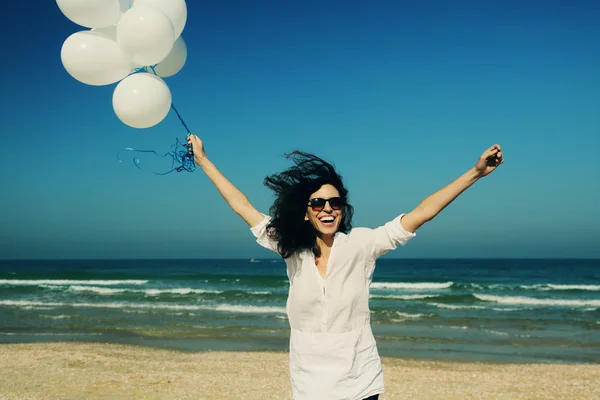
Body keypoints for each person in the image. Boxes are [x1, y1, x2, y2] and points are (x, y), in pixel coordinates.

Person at [187, 135, 503, 400]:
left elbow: (421, 212)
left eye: (335, 203)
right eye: (318, 203)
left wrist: (475, 173)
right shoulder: (291, 249)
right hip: (309, 382)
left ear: (342, 209)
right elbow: (241, 205)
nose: (327, 209)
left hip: (358, 379)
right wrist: (202, 160)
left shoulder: (361, 244)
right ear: (306, 212)